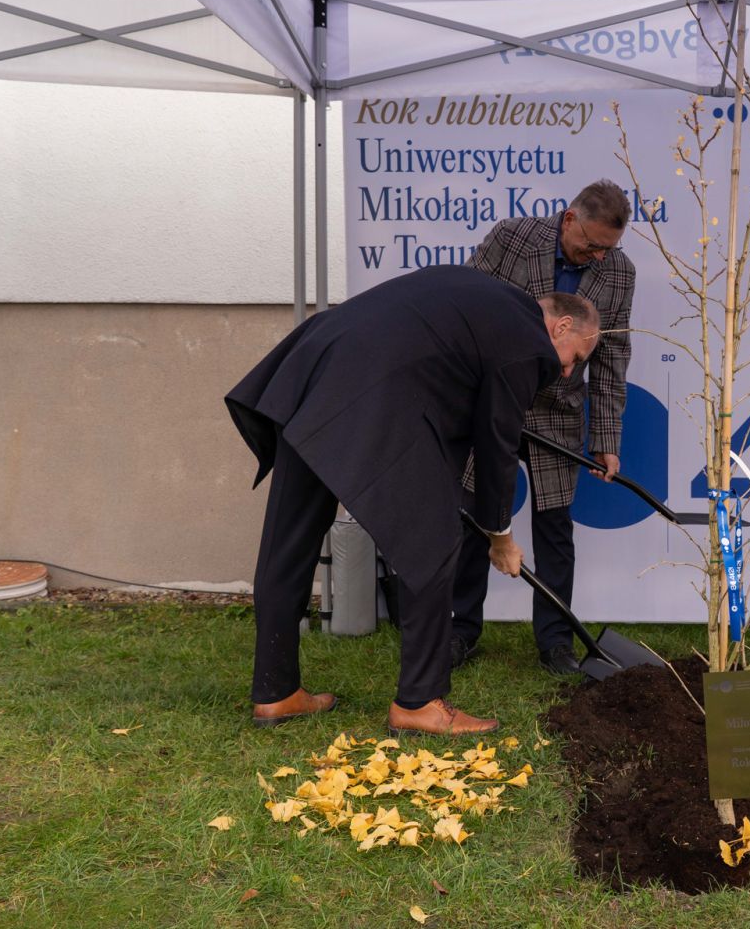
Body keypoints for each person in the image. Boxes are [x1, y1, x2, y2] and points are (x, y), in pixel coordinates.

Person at [225, 266, 599, 735]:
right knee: (434, 541)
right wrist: (500, 537)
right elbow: (496, 443)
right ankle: (419, 703)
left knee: (290, 539)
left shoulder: (488, 300)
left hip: (313, 367)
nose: (567, 371)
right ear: (561, 326)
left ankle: (275, 693)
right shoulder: (527, 340)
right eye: (575, 357)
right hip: (372, 390)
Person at [450, 180, 636, 677]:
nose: (599, 257)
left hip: (558, 411)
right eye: (591, 245)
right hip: (493, 400)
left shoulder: (620, 272)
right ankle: (459, 631)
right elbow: (464, 308)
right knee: (472, 517)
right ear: (569, 219)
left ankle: (555, 643)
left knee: (554, 528)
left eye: (608, 248)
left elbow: (612, 357)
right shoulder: (511, 238)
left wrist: (606, 439)